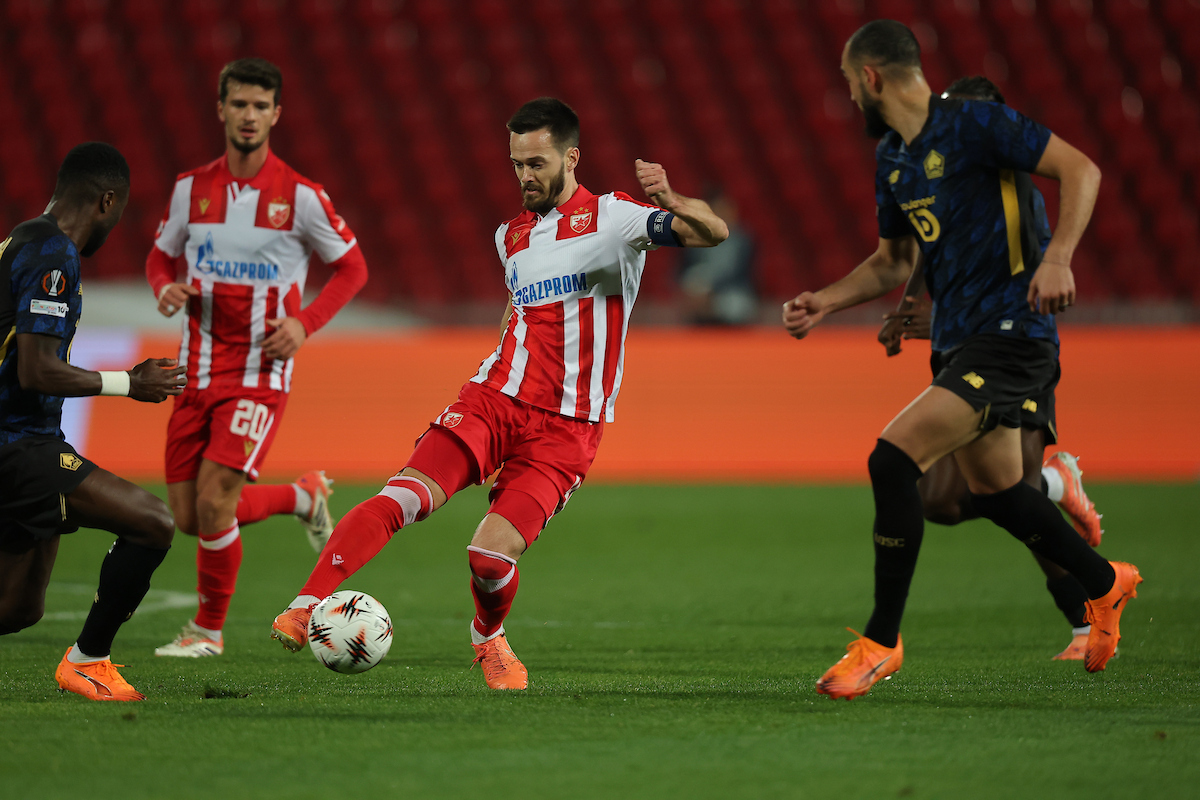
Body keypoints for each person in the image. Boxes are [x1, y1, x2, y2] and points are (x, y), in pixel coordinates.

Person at [270, 97, 728, 689]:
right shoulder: (509, 236)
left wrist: (672, 200)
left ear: (572, 158)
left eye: (537, 163)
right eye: (517, 164)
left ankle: (488, 638)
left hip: (568, 428)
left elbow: (713, 233)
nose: (525, 176)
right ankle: (305, 604)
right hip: (495, 399)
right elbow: (520, 315)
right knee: (404, 496)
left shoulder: (616, 218)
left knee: (489, 558)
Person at [782, 21, 1142, 700]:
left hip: (1012, 335)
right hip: (958, 340)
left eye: (849, 82)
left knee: (892, 460)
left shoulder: (977, 124)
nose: (849, 96)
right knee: (997, 495)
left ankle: (881, 642)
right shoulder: (894, 159)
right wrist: (825, 301)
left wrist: (1058, 258)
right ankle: (1103, 583)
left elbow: (1082, 169)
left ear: (871, 78)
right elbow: (892, 261)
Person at [146, 58, 369, 658]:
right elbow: (160, 256)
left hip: (258, 372)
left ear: (276, 114)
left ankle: (207, 631)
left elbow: (353, 267)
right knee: (190, 516)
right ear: (221, 109)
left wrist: (304, 323)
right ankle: (302, 498)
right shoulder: (190, 189)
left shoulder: (301, 197)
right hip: (194, 367)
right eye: (239, 104)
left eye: (260, 106)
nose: (249, 115)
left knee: (215, 501)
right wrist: (164, 287)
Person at [877, 75, 1103, 661]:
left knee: (1008, 491)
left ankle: (1084, 619)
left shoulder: (1017, 198)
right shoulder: (953, 186)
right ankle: (1057, 485)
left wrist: (1058, 262)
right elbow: (934, 251)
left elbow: (1014, 285)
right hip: (968, 350)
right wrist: (914, 305)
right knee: (943, 502)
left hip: (1016, 351)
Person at [0, 143, 187, 701]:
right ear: (107, 201)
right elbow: (36, 370)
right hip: (18, 443)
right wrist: (130, 382)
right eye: (119, 210)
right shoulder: (53, 253)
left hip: (29, 437)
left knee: (17, 607)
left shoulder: (22, 240)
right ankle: (89, 662)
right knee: (152, 522)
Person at [677, 190, 757, 325]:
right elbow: (683, 268)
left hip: (732, 290)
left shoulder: (743, 241)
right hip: (700, 288)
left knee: (736, 304)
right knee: (693, 286)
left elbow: (743, 274)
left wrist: (713, 289)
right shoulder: (695, 237)